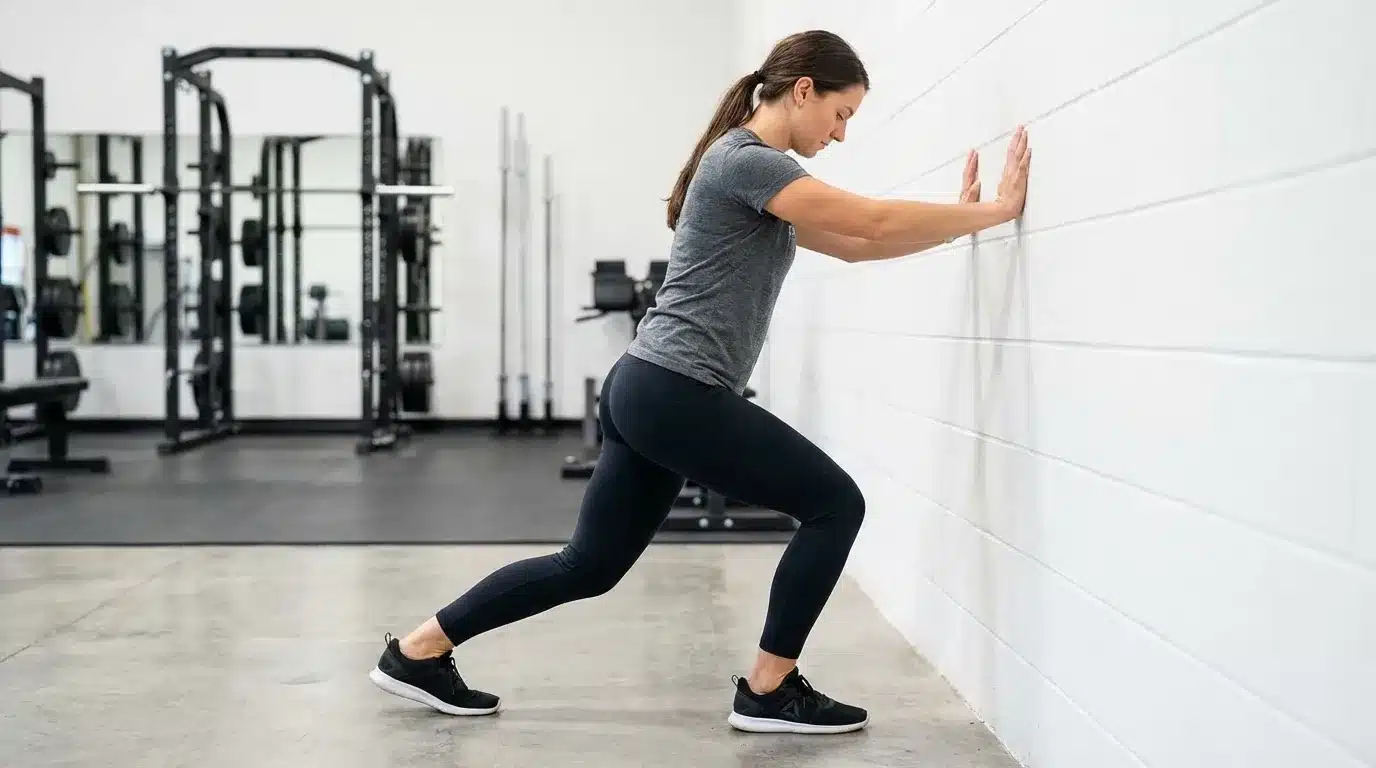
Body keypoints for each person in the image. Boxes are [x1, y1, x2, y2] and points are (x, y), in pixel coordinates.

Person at [369, 29, 1031, 735]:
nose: (841, 135)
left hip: (649, 388)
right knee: (835, 505)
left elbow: (860, 245)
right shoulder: (745, 162)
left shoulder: (754, 173)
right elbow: (868, 217)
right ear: (803, 89)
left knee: (588, 566)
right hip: (674, 389)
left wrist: (964, 225)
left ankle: (418, 652)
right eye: (840, 115)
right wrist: (992, 212)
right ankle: (770, 690)